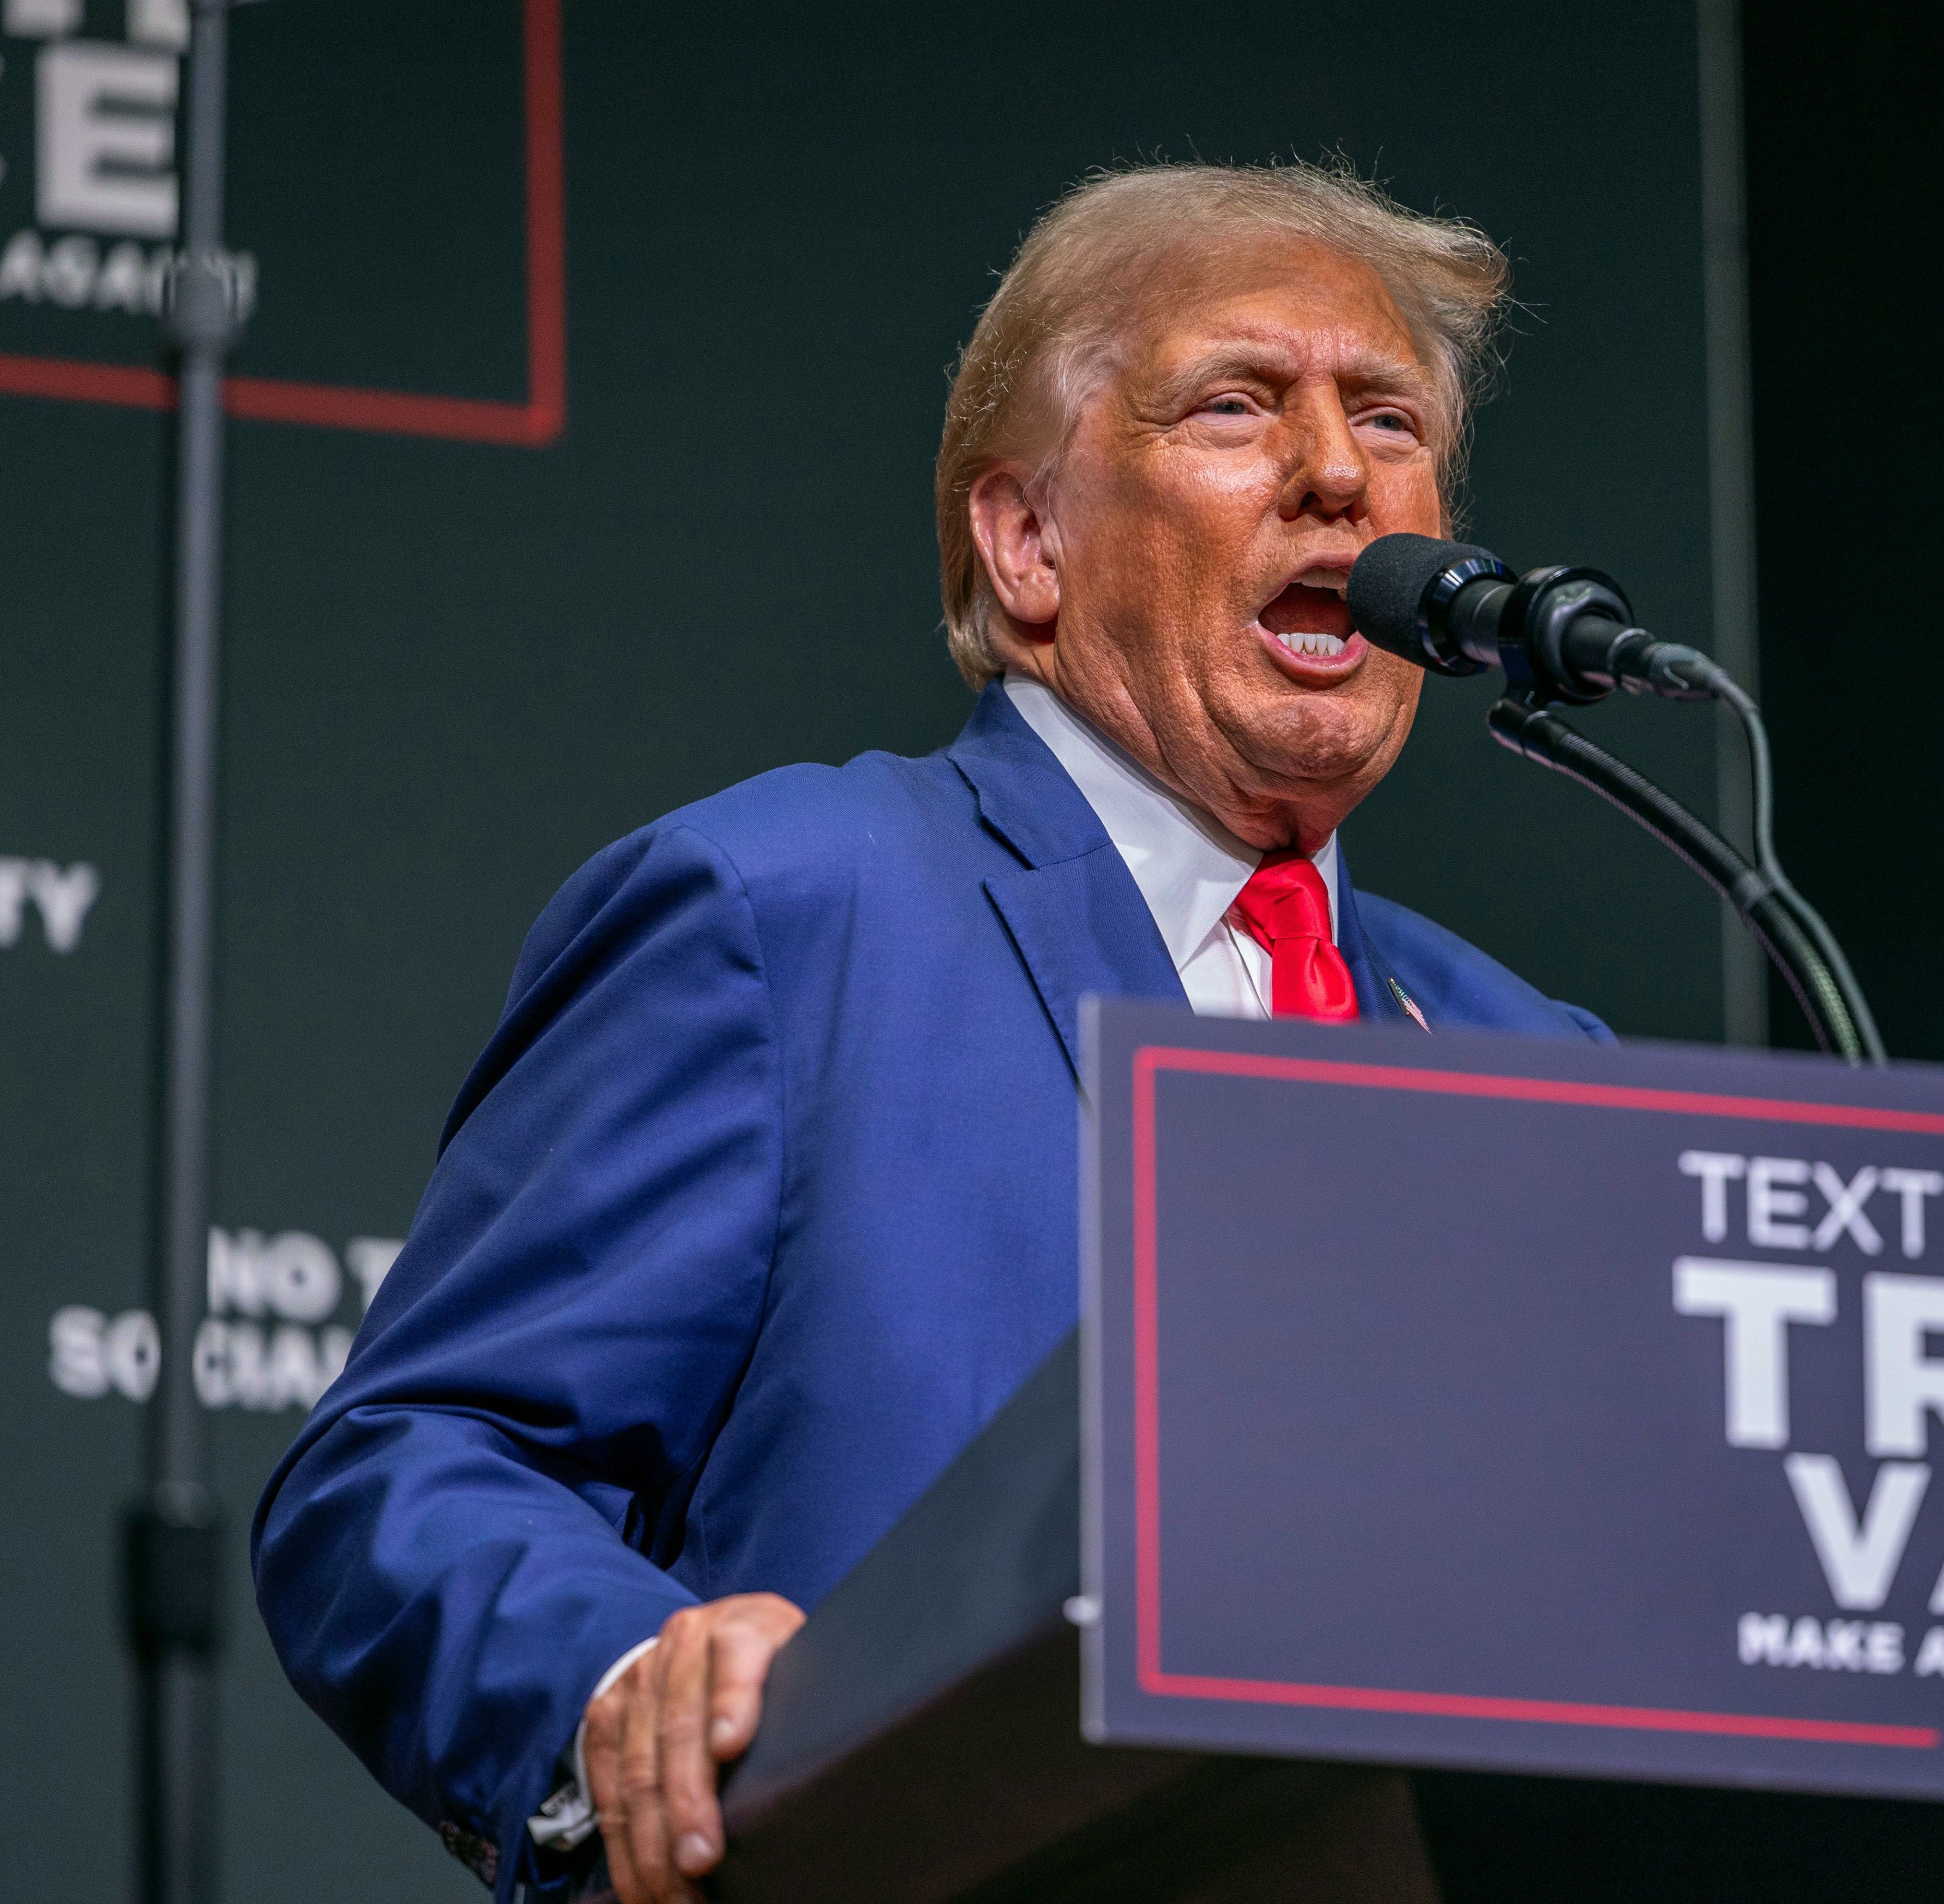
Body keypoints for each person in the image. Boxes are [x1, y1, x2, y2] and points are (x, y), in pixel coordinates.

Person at [252, 160, 1611, 1904]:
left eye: (1391, 421)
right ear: (1027, 542)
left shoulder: (1536, 1059)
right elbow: (407, 1472)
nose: (1341, 473)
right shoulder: (785, 914)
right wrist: (623, 1687)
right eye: (1237, 406)